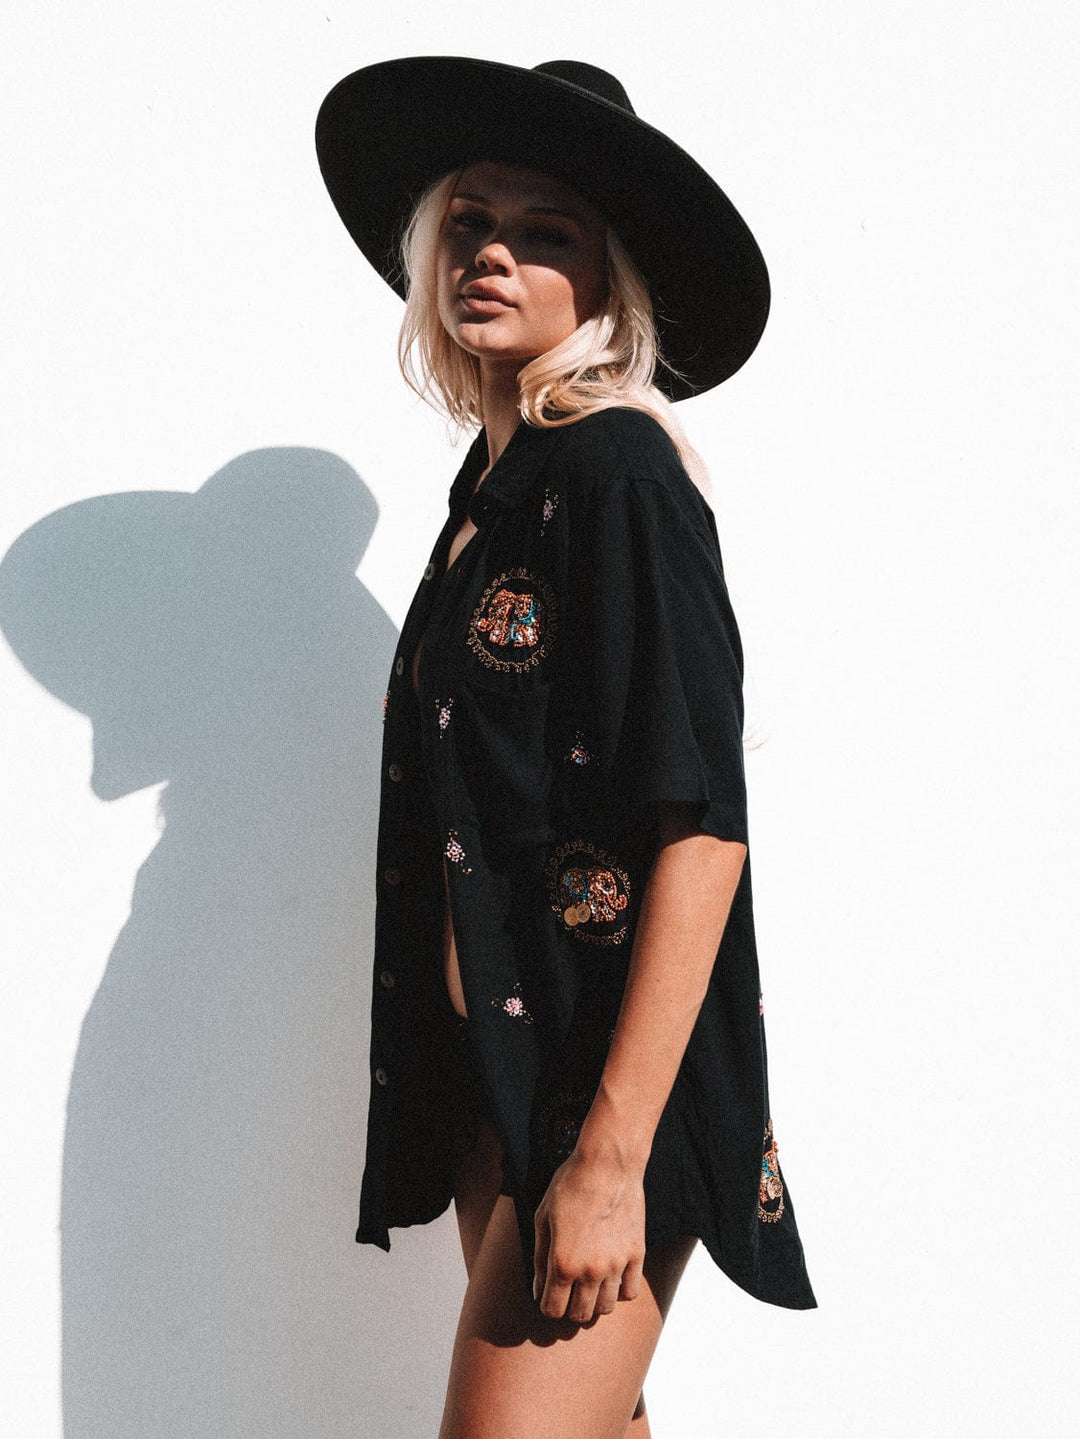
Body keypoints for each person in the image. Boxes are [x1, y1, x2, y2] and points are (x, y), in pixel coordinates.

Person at [316, 57, 817, 1439]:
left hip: (604, 1094)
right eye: (472, 221)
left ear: (608, 287)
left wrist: (610, 1157)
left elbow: (702, 829)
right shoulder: (491, 490)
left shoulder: (617, 474)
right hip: (504, 1077)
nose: (492, 254)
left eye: (545, 234)